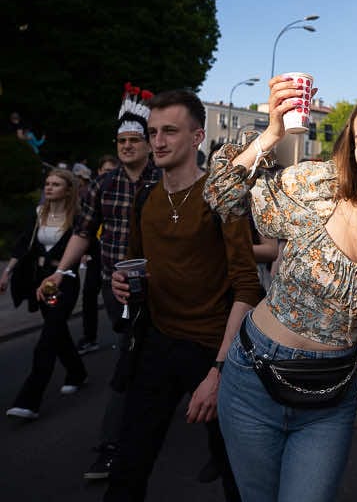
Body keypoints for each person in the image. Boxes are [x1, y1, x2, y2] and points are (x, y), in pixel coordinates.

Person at [204, 79, 357, 502]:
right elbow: (221, 197)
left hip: (330, 399)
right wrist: (272, 134)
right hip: (252, 376)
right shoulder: (321, 187)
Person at [103, 89, 260, 502]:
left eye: (170, 131)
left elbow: (247, 287)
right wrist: (124, 286)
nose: (158, 141)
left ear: (196, 137)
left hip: (212, 349)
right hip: (155, 342)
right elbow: (135, 264)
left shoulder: (221, 197)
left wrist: (218, 372)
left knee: (235, 469)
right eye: (153, 131)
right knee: (129, 463)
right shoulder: (146, 199)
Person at [37, 87, 160, 480]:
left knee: (157, 356)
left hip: (164, 288)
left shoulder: (165, 179)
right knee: (131, 352)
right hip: (115, 287)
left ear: (147, 142)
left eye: (133, 140)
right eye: (120, 141)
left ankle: (217, 439)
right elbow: (83, 232)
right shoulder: (102, 186)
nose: (126, 146)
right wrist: (61, 270)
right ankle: (116, 443)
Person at [2, 169, 88, 420]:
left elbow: (88, 243)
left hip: (65, 282)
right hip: (41, 283)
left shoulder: (79, 218)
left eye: (56, 184)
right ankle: (77, 372)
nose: (49, 188)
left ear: (68, 189)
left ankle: (29, 400)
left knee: (49, 336)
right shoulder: (39, 214)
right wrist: (7, 273)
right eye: (47, 184)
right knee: (56, 330)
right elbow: (22, 245)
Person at [76, 154, 120, 355]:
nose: (107, 176)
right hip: (96, 255)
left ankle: (127, 339)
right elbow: (84, 227)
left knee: (117, 302)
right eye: (104, 171)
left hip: (114, 259)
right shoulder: (95, 193)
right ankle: (89, 337)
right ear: (99, 172)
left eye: (112, 171)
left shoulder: (121, 196)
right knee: (89, 296)